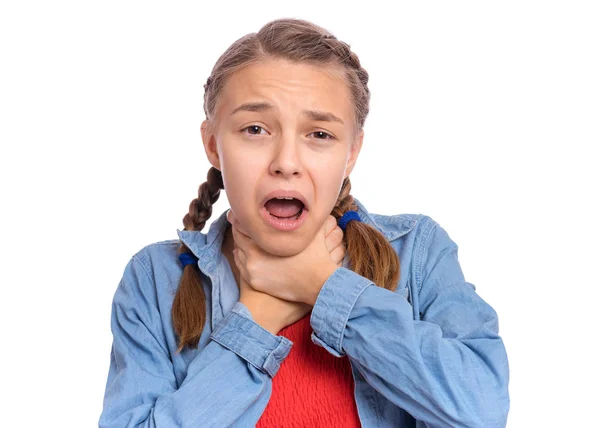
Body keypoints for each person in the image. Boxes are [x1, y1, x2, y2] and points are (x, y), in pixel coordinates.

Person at [98, 18, 510, 428]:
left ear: (352, 151)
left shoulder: (417, 252)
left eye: (319, 134)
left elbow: (481, 410)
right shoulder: (155, 279)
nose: (286, 163)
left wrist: (324, 287)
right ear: (213, 144)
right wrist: (258, 317)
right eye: (255, 129)